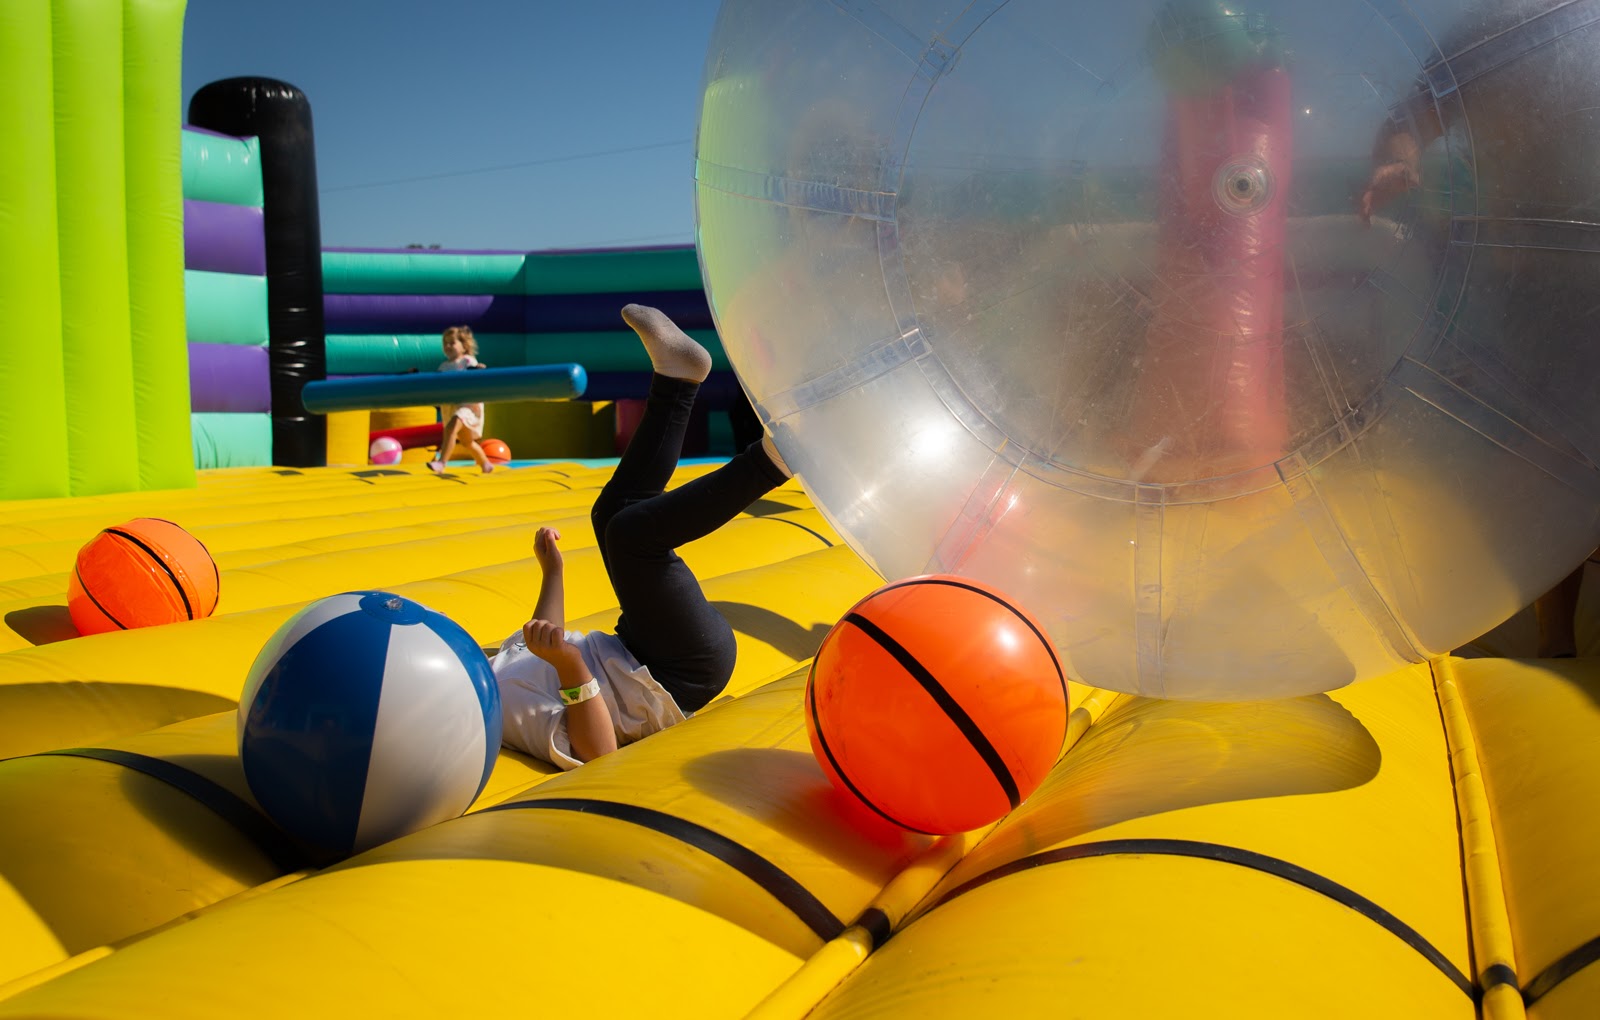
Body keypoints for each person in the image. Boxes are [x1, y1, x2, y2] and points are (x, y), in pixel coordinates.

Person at [491, 304, 792, 768]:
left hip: (640, 646)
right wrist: (571, 664)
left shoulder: (496, 665)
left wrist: (553, 572)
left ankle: (677, 381)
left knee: (612, 512)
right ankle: (776, 458)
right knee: (630, 537)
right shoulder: (497, 710)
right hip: (677, 673)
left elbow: (545, 639)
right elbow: (597, 751)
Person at [429, 325, 494, 475]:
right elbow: (437, 384)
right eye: (445, 343)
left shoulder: (467, 361)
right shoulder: (443, 366)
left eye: (452, 343)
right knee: (467, 442)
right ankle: (485, 463)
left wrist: (479, 370)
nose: (448, 346)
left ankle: (441, 463)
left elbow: (475, 373)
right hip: (452, 407)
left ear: (464, 346)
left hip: (468, 406)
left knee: (451, 428)